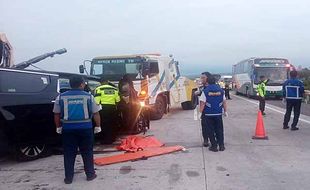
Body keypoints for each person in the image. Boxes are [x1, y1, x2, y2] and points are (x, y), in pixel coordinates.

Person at [53, 76, 102, 184]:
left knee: (69, 153)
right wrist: (98, 126)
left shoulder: (60, 97)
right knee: (87, 152)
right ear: (81, 84)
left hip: (68, 129)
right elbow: (96, 113)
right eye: (84, 83)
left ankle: (68, 178)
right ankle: (90, 174)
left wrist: (58, 127)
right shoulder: (89, 96)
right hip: (86, 128)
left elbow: (56, 114)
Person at [200, 76, 228, 152]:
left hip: (208, 114)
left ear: (207, 82)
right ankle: (221, 146)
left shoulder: (205, 91)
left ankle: (214, 146)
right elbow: (224, 102)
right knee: (219, 129)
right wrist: (225, 111)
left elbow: (202, 103)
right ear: (215, 81)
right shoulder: (221, 90)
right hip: (218, 113)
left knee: (210, 130)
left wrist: (200, 113)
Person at [94, 77, 121, 144]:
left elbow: (96, 101)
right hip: (113, 108)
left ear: (100, 82)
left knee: (104, 124)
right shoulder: (115, 89)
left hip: (103, 108)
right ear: (107, 81)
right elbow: (118, 100)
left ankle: (105, 140)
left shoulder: (99, 89)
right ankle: (112, 139)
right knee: (112, 124)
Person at [195, 72, 212, 147]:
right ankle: (206, 140)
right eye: (201, 77)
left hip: (211, 109)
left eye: (203, 77)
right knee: (204, 126)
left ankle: (213, 140)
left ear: (207, 78)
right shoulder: (202, 87)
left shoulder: (212, 87)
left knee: (213, 126)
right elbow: (199, 94)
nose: (201, 79)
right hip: (204, 110)